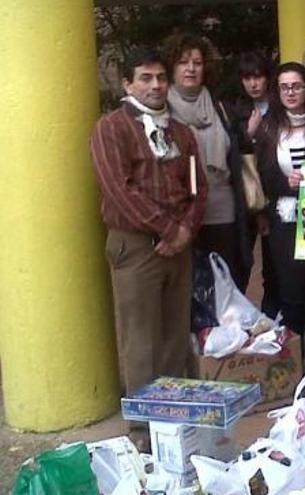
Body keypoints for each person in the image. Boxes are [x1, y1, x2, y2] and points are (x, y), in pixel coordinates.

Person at [90, 48, 207, 449]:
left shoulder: (181, 132)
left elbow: (198, 187)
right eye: (145, 78)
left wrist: (186, 230)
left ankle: (172, 419)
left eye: (160, 77)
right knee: (140, 339)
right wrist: (166, 228)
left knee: (175, 333)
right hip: (136, 246)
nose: (155, 85)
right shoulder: (111, 128)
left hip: (179, 244)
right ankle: (142, 431)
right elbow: (117, 189)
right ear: (127, 83)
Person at [254, 62, 305, 384]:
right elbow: (260, 175)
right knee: (291, 293)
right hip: (284, 216)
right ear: (277, 91)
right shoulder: (266, 128)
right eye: (284, 86)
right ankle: (293, 367)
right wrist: (282, 184)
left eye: (297, 86)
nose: (290, 92)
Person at [164, 33, 252, 290]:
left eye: (197, 62)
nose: (190, 68)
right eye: (183, 62)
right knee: (189, 290)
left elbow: (237, 154)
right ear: (172, 67)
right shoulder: (161, 110)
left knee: (226, 286)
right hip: (182, 213)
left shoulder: (220, 108)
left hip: (222, 208)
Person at [229, 51, 281, 317]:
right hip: (247, 199)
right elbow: (231, 154)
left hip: (277, 195)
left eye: (258, 76)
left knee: (275, 269)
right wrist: (248, 133)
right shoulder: (235, 111)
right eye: (247, 78)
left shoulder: (281, 107)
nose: (253, 84)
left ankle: (275, 320)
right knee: (242, 263)